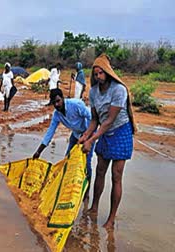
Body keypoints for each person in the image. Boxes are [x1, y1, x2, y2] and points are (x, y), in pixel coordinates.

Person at [78, 53, 136, 229]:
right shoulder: (94, 91)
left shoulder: (119, 90)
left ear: (108, 72)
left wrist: (92, 139)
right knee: (100, 170)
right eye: (95, 74)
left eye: (101, 73)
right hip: (104, 131)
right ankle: (94, 207)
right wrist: (85, 136)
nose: (98, 77)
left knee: (116, 176)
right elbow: (95, 120)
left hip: (120, 131)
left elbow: (110, 120)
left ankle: (111, 219)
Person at [33, 88, 93, 185]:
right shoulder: (57, 115)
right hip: (75, 134)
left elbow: (91, 117)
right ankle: (68, 184)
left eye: (58, 101)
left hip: (89, 133)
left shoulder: (76, 105)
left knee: (86, 162)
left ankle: (86, 190)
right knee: (67, 159)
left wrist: (87, 136)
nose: (56, 105)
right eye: (54, 103)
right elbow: (50, 132)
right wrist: (38, 151)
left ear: (63, 98)